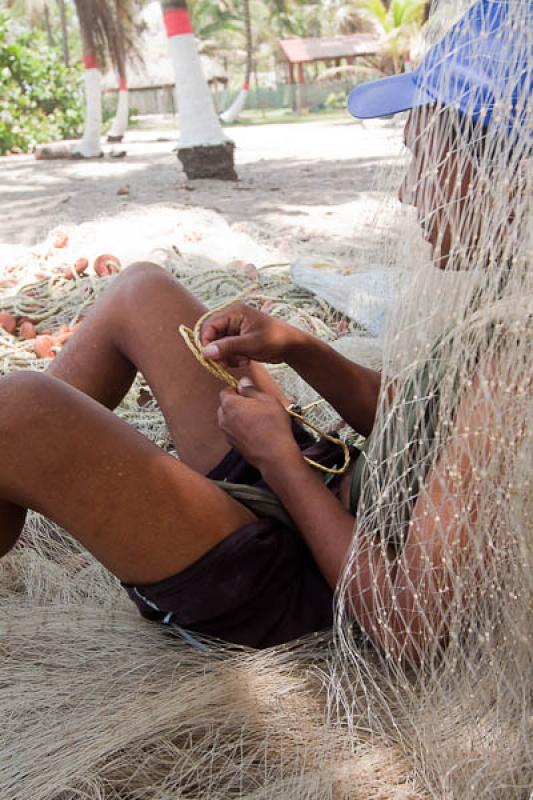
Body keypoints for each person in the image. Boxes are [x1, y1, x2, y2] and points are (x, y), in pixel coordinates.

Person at [0, 0, 528, 659]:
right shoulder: (509, 298)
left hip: (303, 587)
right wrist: (300, 349)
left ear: (507, 178)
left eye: (423, 161)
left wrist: (280, 461)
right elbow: (423, 422)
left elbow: (408, 628)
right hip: (324, 503)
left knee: (16, 410)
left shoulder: (517, 362)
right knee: (141, 292)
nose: (410, 194)